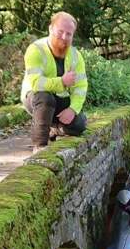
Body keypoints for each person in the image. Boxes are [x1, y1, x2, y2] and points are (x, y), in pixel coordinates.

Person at [21, 11, 88, 150]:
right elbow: (36, 83)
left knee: (80, 124)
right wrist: (62, 82)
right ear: (51, 29)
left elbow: (81, 87)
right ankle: (39, 146)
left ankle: (55, 129)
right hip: (35, 98)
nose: (64, 37)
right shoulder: (35, 50)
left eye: (69, 34)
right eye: (60, 31)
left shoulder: (76, 56)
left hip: (59, 98)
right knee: (46, 99)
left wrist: (72, 109)